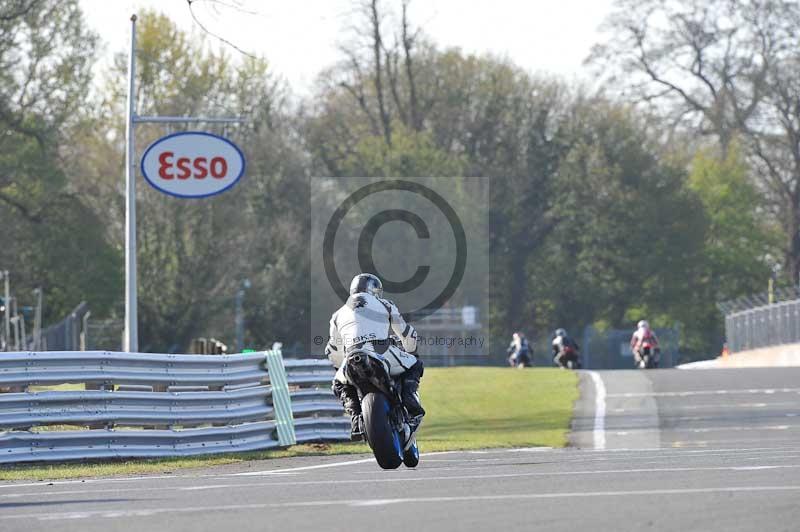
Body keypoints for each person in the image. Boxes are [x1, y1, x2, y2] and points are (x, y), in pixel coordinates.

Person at [324, 273, 425, 441]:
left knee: (339, 384)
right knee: (415, 365)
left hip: (351, 356)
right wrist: (411, 353)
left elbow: (332, 350)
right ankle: (411, 407)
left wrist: (339, 367)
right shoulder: (385, 304)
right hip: (381, 350)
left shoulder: (337, 314)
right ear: (375, 291)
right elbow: (408, 334)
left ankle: (355, 418)